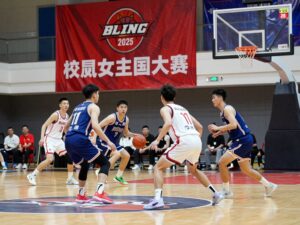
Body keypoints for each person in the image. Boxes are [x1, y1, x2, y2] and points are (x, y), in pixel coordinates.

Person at [144, 84, 223, 209]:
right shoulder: (183, 109)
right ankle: (216, 193)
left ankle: (158, 199)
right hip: (196, 140)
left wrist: (157, 140)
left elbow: (168, 123)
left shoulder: (165, 108)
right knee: (194, 170)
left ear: (161, 97)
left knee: (158, 167)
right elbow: (200, 127)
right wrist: (194, 141)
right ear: (174, 96)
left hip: (184, 141)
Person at [209, 89, 277, 199]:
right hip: (244, 140)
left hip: (242, 140)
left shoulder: (227, 109)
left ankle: (226, 191)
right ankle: (268, 185)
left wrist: (217, 127)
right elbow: (232, 127)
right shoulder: (223, 112)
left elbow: (234, 125)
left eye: (214, 98)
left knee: (221, 163)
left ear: (220, 98)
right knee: (246, 170)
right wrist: (219, 132)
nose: (212, 100)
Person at [64, 84, 116, 203]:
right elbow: (96, 126)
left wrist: (71, 138)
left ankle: (81, 195)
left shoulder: (77, 107)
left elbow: (66, 126)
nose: (98, 96)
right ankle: (100, 192)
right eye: (98, 94)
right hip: (80, 139)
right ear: (94, 94)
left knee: (84, 165)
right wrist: (108, 142)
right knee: (105, 163)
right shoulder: (93, 107)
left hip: (68, 139)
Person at [27, 98, 78, 186]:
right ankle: (32, 175)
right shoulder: (55, 115)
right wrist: (42, 138)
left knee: (70, 157)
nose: (66, 105)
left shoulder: (66, 116)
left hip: (59, 140)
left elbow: (64, 129)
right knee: (50, 159)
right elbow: (44, 125)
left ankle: (70, 178)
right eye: (64, 103)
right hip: (49, 139)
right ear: (60, 105)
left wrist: (70, 137)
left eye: (67, 104)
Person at [94, 100, 136, 185]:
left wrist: (135, 135)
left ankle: (118, 176)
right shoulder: (112, 117)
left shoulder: (126, 119)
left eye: (125, 107)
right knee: (117, 154)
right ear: (117, 108)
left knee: (126, 156)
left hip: (114, 143)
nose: (123, 109)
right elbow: (97, 126)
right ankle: (102, 170)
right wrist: (94, 138)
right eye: (121, 107)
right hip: (104, 141)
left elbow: (126, 133)